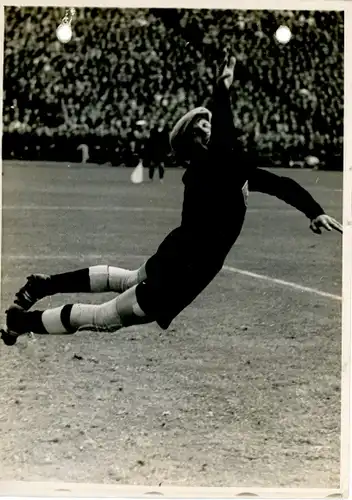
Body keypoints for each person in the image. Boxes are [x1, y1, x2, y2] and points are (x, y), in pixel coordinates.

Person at [2, 54, 342, 346]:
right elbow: (227, 132)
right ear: (195, 139)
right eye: (204, 126)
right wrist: (222, 87)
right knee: (106, 318)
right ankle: (23, 322)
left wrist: (314, 211)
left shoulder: (220, 168)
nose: (212, 128)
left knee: (126, 281)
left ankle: (44, 285)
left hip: (178, 255)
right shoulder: (212, 165)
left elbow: (280, 183)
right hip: (185, 270)